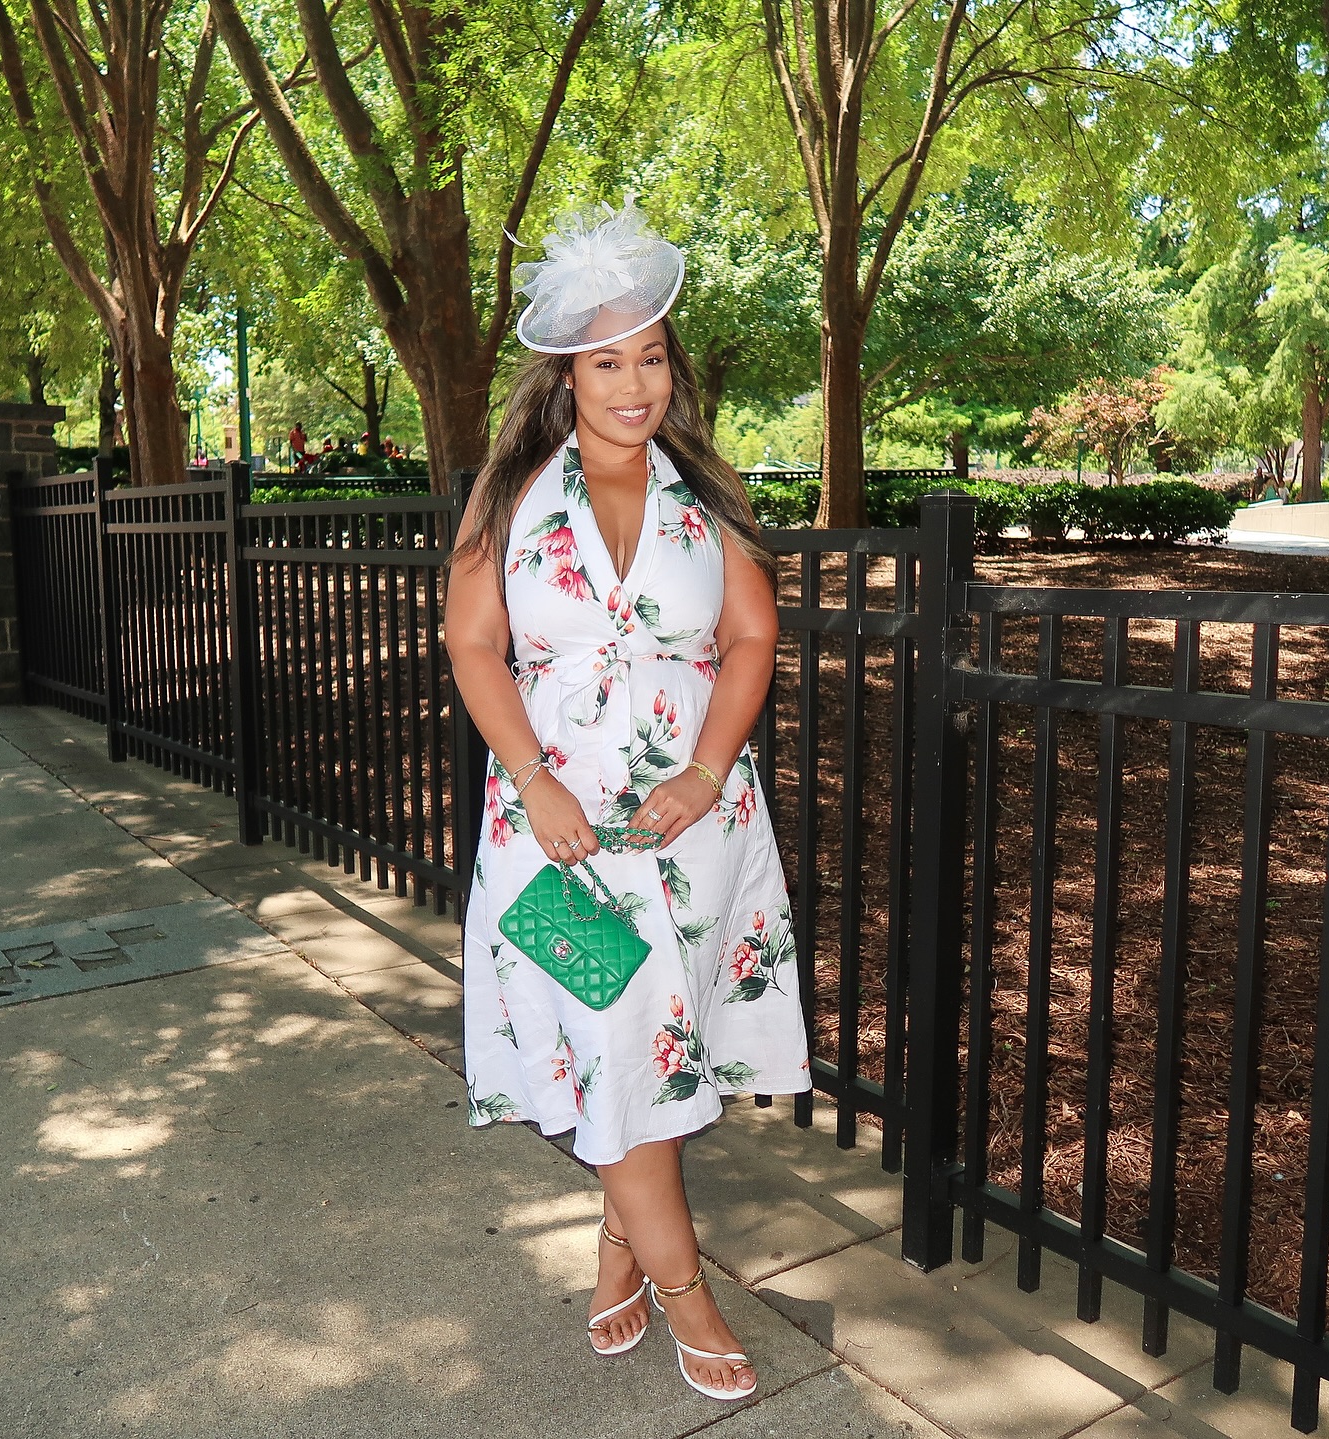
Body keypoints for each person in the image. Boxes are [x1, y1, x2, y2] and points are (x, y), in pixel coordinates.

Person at [444, 200, 809, 1403]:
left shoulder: (709, 492)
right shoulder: (506, 495)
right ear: (566, 370)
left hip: (692, 829)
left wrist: (706, 770)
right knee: (617, 1045)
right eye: (608, 359)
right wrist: (537, 779)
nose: (634, 381)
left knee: (650, 1051)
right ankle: (687, 1283)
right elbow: (474, 644)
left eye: (651, 353)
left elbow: (751, 638)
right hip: (553, 835)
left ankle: (620, 1243)